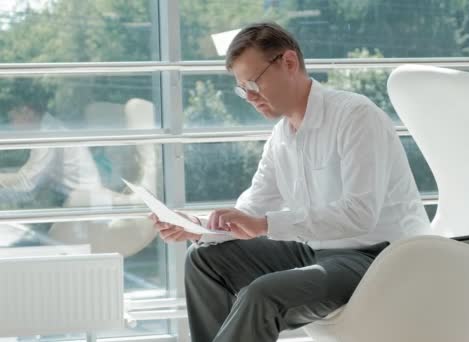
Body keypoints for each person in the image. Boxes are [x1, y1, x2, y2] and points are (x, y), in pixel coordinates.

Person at [150, 22, 430, 342]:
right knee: (204, 260)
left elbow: (359, 214)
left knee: (262, 295)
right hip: (318, 250)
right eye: (242, 89)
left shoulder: (355, 117)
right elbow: (252, 208)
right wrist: (197, 225)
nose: (250, 97)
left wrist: (265, 224)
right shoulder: (281, 138)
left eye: (254, 83)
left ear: (289, 63)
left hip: (380, 258)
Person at [0, 79, 102, 245]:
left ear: (27, 112)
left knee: (14, 245)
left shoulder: (48, 136)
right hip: (73, 208)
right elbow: (26, 175)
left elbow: (27, 188)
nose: (12, 125)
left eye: (13, 118)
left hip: (82, 216)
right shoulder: (48, 130)